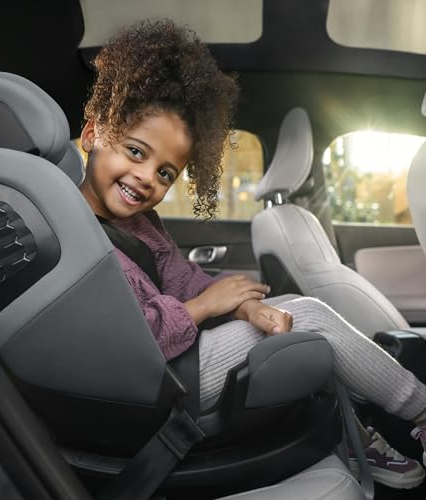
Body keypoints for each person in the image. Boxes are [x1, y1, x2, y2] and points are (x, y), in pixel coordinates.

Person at [79, 19, 426, 489]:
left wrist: (244, 306)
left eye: (165, 173)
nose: (145, 177)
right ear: (92, 133)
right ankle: (421, 411)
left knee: (289, 317)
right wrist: (205, 307)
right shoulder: (77, 234)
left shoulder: (141, 225)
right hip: (160, 378)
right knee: (310, 316)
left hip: (177, 359)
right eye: (136, 152)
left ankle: (353, 436)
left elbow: (183, 279)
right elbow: (134, 341)